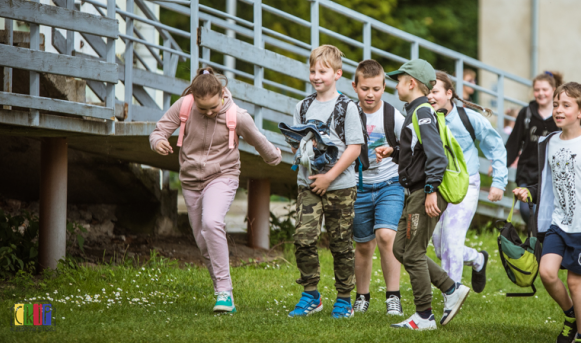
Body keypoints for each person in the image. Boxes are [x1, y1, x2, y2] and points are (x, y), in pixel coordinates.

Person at [150, 67, 282, 314]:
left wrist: (275, 157)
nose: (210, 112)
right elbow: (159, 131)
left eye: (213, 107)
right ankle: (221, 291)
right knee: (203, 242)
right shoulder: (184, 106)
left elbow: (258, 139)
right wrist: (157, 141)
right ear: (194, 99)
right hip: (190, 181)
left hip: (223, 176)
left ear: (222, 94)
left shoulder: (236, 115)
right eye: (204, 109)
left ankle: (225, 293)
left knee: (212, 223)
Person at [512, 82, 581, 343]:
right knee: (547, 273)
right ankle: (570, 315)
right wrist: (530, 192)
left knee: (575, 283)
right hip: (557, 223)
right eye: (556, 105)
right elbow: (546, 182)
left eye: (566, 106)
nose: (558, 110)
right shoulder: (548, 143)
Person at [386, 59, 471, 330]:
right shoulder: (416, 111)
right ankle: (450, 289)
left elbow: (436, 156)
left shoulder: (422, 112)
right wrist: (394, 152)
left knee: (412, 252)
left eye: (399, 80)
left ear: (411, 83)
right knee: (401, 248)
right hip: (417, 191)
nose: (396, 84)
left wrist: (431, 190)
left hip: (425, 192)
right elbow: (419, 152)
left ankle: (424, 316)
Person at [287, 45, 365, 319]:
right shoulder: (302, 106)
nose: (316, 76)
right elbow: (297, 143)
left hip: (340, 186)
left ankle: (345, 298)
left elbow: (354, 148)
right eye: (312, 71)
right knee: (303, 237)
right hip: (307, 184)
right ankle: (311, 294)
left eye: (323, 71)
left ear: (337, 74)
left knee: (340, 242)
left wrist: (329, 176)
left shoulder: (348, 107)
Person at [429, 71, 507, 293]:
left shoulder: (469, 119)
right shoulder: (425, 119)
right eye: (427, 92)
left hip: (466, 186)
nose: (430, 96)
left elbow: (496, 147)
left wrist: (499, 182)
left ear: (449, 93)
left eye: (435, 91)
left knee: (452, 244)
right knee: (440, 248)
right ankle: (477, 259)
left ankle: (451, 297)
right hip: (437, 187)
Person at [350, 59, 406, 316]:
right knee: (363, 245)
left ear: (384, 87)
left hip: (389, 184)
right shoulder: (349, 114)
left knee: (386, 236)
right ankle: (362, 296)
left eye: (375, 88)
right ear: (354, 87)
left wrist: (393, 149)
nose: (370, 94)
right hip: (358, 187)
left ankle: (393, 296)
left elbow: (411, 146)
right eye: (364, 89)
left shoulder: (393, 115)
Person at [504, 71, 562, 224]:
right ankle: (536, 241)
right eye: (537, 90)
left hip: (552, 174)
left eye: (545, 89)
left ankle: (544, 244)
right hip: (527, 174)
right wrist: (500, 164)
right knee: (527, 210)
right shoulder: (526, 113)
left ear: (553, 90)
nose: (540, 93)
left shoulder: (560, 115)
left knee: (548, 213)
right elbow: (514, 142)